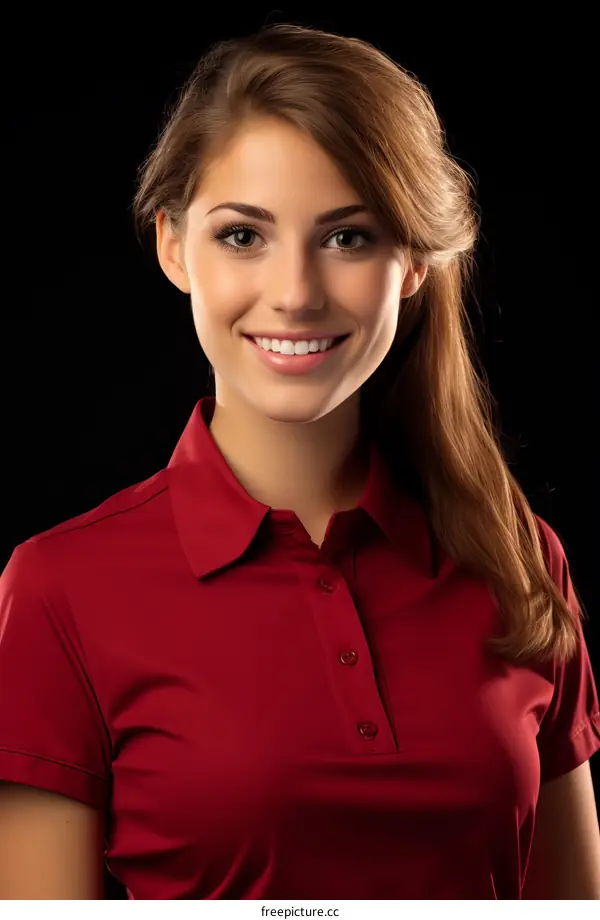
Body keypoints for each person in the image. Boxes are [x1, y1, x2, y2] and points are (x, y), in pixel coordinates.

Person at [1, 23, 599, 901]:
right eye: (243, 235)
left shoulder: (519, 557)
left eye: (347, 237)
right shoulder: (59, 589)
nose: (294, 294)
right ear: (173, 246)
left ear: (413, 263)